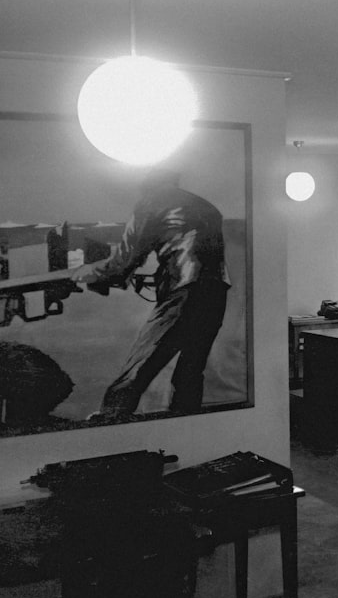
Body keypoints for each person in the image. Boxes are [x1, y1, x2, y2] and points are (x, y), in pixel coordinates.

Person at [71, 167, 230, 417]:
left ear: (149, 180)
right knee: (189, 374)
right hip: (216, 292)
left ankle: (109, 431)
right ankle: (185, 430)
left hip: (183, 295)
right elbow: (193, 252)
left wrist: (88, 270)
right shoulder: (205, 206)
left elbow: (122, 263)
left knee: (134, 374)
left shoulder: (151, 202)